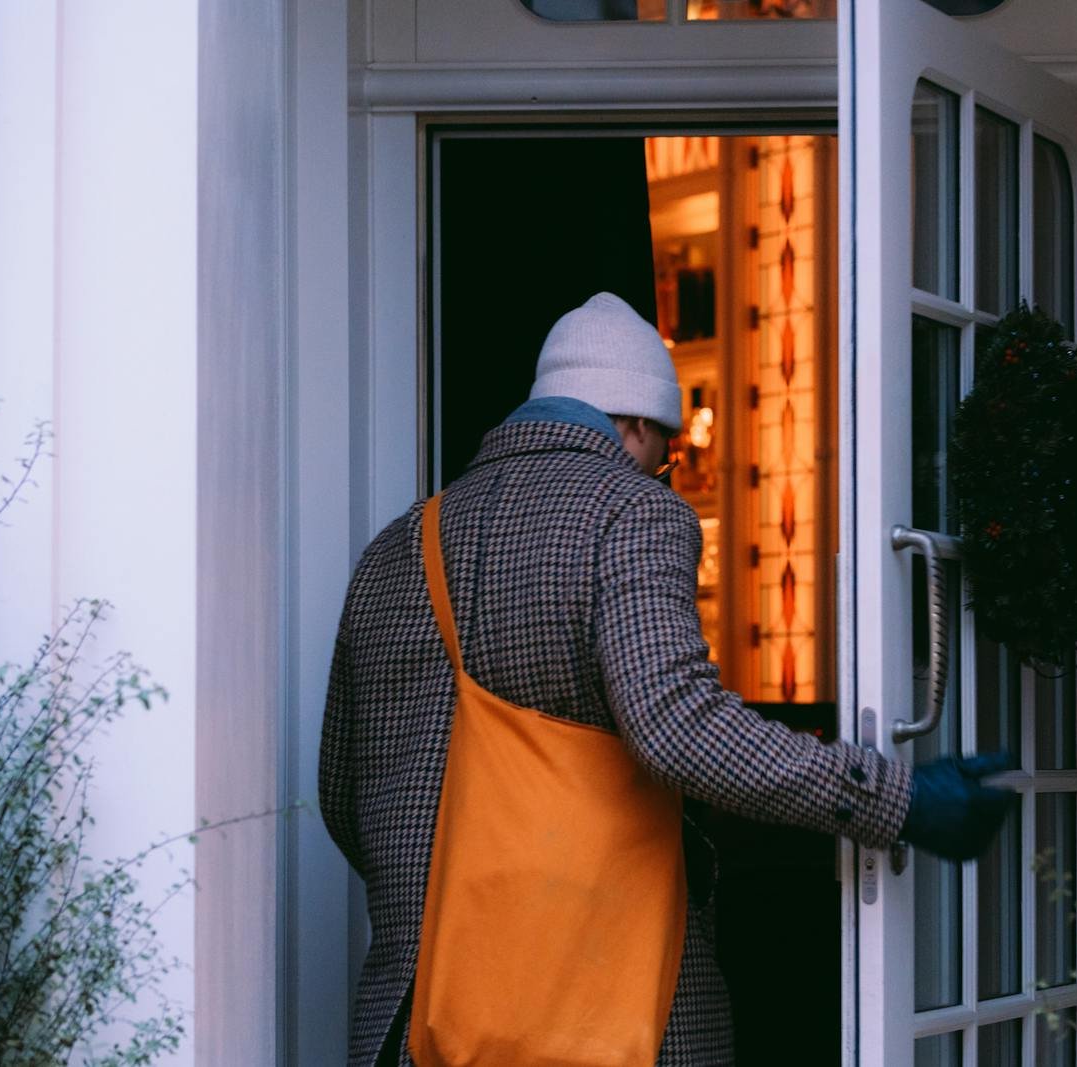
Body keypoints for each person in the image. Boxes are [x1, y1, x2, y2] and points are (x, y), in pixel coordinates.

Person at [318, 292, 1015, 1067]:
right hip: (604, 1015)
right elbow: (677, 725)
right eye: (669, 456)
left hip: (413, 1020)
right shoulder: (631, 510)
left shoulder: (390, 548)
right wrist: (900, 798)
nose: (663, 472)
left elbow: (343, 793)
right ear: (638, 425)